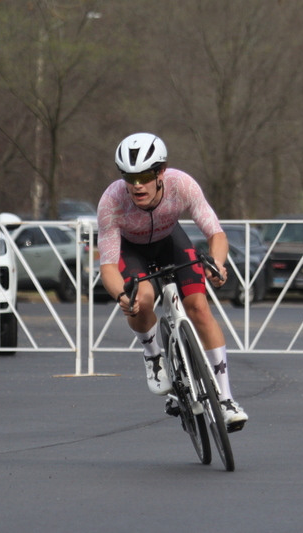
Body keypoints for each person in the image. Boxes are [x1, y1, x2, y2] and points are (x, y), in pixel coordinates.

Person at [96, 132, 248, 432]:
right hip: (131, 250)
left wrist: (216, 263)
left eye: (144, 175)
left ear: (161, 172)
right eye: (129, 176)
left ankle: (227, 400)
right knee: (143, 300)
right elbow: (109, 267)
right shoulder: (112, 201)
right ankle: (153, 356)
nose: (137, 184)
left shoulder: (182, 184)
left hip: (170, 241)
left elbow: (215, 233)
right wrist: (122, 298)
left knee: (199, 307)